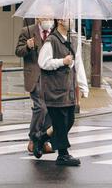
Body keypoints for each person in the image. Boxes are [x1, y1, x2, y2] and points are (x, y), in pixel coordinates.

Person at [37, 18, 89, 166]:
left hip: (69, 89)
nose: (71, 21)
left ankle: (41, 137)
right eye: (68, 18)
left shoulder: (72, 39)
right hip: (54, 89)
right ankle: (63, 155)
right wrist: (62, 62)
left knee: (69, 120)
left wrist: (83, 86)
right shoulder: (51, 40)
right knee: (60, 122)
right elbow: (43, 62)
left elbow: (78, 63)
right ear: (60, 20)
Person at [15, 18, 54, 155]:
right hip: (35, 75)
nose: (47, 20)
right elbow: (18, 51)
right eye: (44, 17)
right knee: (41, 107)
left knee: (50, 108)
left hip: (51, 76)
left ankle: (43, 140)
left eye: (50, 17)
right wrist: (27, 46)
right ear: (38, 18)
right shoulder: (27, 31)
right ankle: (33, 138)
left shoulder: (54, 32)